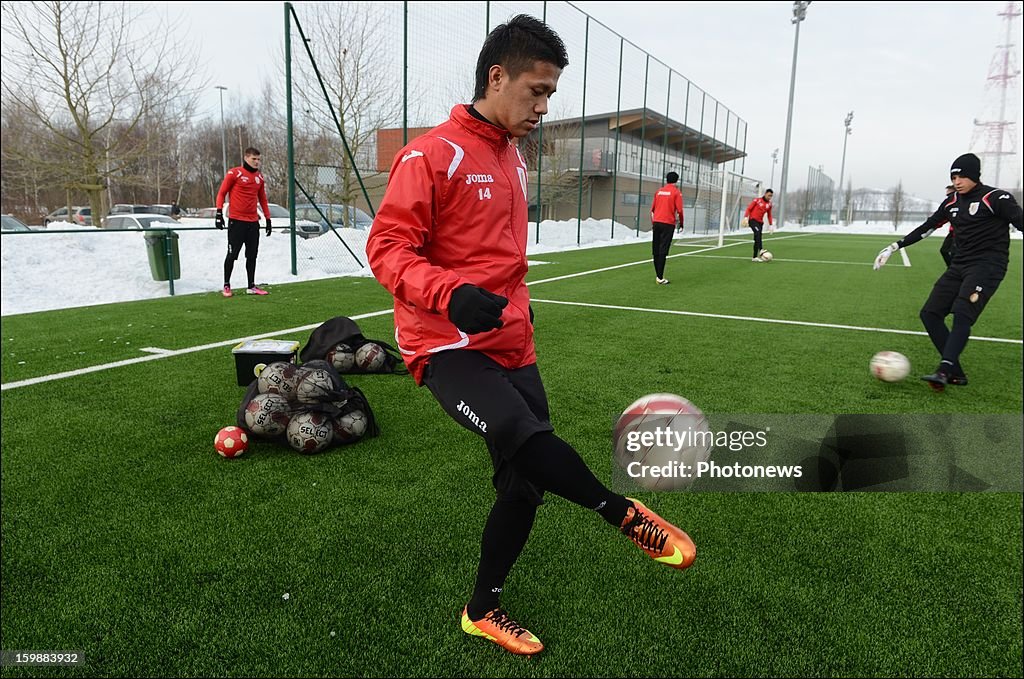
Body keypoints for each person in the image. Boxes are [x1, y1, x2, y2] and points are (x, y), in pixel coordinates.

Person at [365, 14, 696, 657]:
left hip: (512, 341)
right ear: (497, 76)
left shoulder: (512, 155)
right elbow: (386, 249)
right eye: (536, 91)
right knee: (524, 436)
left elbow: (503, 255)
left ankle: (482, 608)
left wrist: (518, 308)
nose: (544, 106)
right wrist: (450, 295)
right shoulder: (432, 154)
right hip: (447, 347)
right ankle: (621, 514)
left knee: (524, 482)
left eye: (550, 94)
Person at [873, 153, 1022, 391]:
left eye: (962, 175)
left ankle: (944, 369)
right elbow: (928, 227)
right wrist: (894, 246)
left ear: (974, 175)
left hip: (987, 266)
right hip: (959, 265)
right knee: (930, 313)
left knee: (963, 313)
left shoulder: (995, 198)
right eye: (954, 176)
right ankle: (956, 373)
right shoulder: (952, 202)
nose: (957, 181)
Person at [215, 147, 272, 297]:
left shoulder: (259, 178)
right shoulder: (234, 173)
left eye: (259, 159)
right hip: (236, 222)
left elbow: (263, 200)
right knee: (232, 255)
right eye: (254, 159)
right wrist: (219, 213)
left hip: (253, 223)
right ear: (246, 158)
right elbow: (222, 193)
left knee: (252, 255)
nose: (257, 162)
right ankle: (226, 285)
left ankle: (251, 286)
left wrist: (268, 218)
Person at [649, 171, 684, 284]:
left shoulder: (658, 191)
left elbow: (652, 209)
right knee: (663, 249)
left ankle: (658, 275)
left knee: (656, 249)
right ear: (677, 180)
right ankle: (660, 277)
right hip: (668, 223)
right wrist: (681, 223)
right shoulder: (676, 192)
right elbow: (679, 210)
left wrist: (653, 222)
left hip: (657, 222)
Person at [743, 189, 774, 261]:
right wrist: (745, 217)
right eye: (769, 195)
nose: (769, 197)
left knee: (757, 238)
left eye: (771, 196)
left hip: (760, 223)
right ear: (765, 194)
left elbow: (769, 215)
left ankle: (754, 257)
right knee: (758, 233)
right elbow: (749, 208)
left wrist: (771, 225)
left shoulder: (769, 204)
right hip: (753, 220)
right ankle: (761, 249)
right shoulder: (757, 200)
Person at [938, 184, 956, 266]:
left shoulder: (958, 202)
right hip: (952, 232)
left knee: (954, 253)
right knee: (944, 250)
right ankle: (951, 269)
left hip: (960, 233)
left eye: (949, 193)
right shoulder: (949, 203)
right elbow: (945, 217)